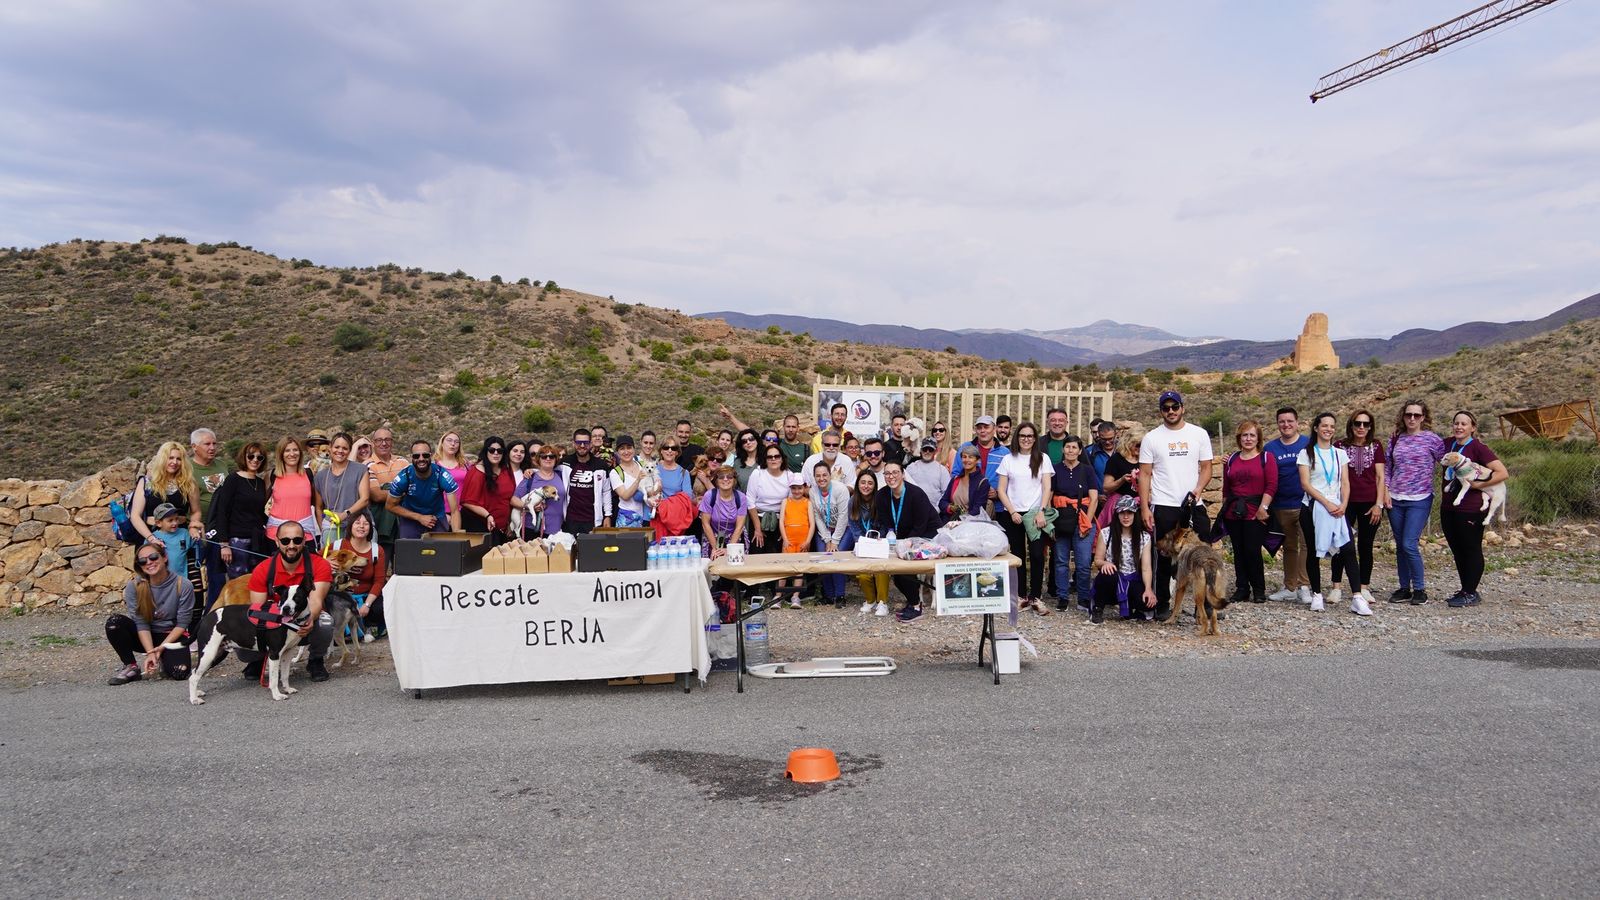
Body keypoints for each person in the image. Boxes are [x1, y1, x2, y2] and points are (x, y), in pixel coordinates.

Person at [1138, 390, 1214, 620]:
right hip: (1164, 503)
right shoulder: (1152, 438)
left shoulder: (1198, 434)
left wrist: (1198, 488)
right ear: (1161, 411)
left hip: (1193, 503)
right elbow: (1145, 474)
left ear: (1182, 408)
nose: (1171, 411)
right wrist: (1145, 508)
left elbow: (1207, 467)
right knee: (1163, 555)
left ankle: (1206, 604)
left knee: (1203, 555)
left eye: (1175, 407)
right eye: (1166, 408)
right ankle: (1162, 603)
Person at [246, 521, 334, 684]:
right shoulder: (262, 569)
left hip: (304, 618)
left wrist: (310, 619)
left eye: (297, 540)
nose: (291, 545)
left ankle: (316, 660)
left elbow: (316, 600)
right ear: (277, 541)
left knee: (325, 623)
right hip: (276, 621)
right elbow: (258, 610)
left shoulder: (319, 564)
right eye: (285, 541)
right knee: (247, 638)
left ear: (305, 540)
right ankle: (259, 658)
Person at [1298, 412, 1367, 615]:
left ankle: (1357, 597)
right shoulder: (1306, 453)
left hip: (1337, 507)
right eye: (1324, 425)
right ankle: (1317, 594)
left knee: (1348, 549)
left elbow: (1345, 482)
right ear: (1316, 428)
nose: (1328, 429)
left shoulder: (1340, 453)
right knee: (1313, 551)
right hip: (1313, 507)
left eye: (1332, 426)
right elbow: (1305, 483)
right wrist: (1326, 503)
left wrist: (1344, 504)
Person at [1439, 410, 1508, 608]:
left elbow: (1502, 472)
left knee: (1471, 548)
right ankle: (1465, 589)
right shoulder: (1448, 444)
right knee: (1457, 549)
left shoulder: (1478, 448)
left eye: (1464, 424)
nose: (1459, 427)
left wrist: (1479, 485)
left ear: (1473, 428)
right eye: (1456, 423)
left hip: (1471, 507)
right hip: (1449, 505)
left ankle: (1470, 592)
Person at [1385, 400, 1447, 605]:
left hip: (1419, 498)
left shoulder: (1432, 440)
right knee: (1400, 546)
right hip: (1395, 498)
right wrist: (1385, 491)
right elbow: (1387, 467)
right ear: (1403, 416)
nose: (1412, 418)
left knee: (1409, 543)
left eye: (1416, 415)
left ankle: (1420, 589)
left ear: (1423, 417)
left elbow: (1446, 462)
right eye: (1408, 414)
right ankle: (1404, 588)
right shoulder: (1396, 438)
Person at [105, 541, 194, 685]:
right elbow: (141, 623)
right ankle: (131, 666)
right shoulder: (134, 586)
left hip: (170, 634)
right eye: (142, 561)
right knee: (114, 623)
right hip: (145, 635)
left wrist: (161, 649)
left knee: (180, 672)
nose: (149, 562)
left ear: (164, 557)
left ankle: (165, 658)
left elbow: (182, 623)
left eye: (153, 557)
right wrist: (151, 652)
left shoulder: (183, 585)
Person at [997, 422, 1054, 615]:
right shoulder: (1008, 459)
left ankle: (1036, 596)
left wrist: (1041, 510)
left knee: (1037, 554)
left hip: (1035, 513)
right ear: (1017, 437)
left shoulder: (1043, 458)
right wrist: (1012, 511)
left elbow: (1047, 487)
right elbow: (1001, 489)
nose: (1026, 439)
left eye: (1030, 436)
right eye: (1022, 435)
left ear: (1035, 438)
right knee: (1018, 555)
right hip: (1014, 513)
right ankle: (1021, 595)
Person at [874, 462, 941, 622]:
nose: (891, 477)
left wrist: (906, 544)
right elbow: (886, 522)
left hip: (927, 536)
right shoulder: (882, 495)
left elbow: (921, 524)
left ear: (903, 474)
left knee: (904, 571)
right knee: (896, 573)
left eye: (895, 472)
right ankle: (913, 602)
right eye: (887, 473)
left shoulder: (916, 494)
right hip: (902, 538)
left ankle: (916, 607)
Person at [1333, 410, 1387, 608]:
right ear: (1351, 425)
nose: (1361, 427)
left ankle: (1364, 586)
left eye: (1365, 424)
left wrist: (1378, 504)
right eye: (1357, 423)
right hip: (1345, 502)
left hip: (1369, 502)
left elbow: (1380, 477)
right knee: (1341, 544)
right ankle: (1336, 587)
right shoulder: (1339, 446)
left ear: (1370, 426)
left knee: (1366, 545)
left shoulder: (1376, 446)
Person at [1219, 420, 1276, 604]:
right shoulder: (1231, 460)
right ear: (1239, 438)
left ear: (1258, 438)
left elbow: (1271, 485)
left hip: (1255, 510)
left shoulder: (1266, 458)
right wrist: (1225, 508)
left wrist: (1263, 508)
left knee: (1252, 550)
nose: (1248, 439)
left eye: (1252, 435)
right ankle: (1242, 588)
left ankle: (1258, 589)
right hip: (1234, 511)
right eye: (1245, 435)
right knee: (1238, 551)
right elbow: (1226, 488)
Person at [1264, 408, 1312, 602]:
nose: (1286, 425)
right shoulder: (1270, 448)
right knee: (1289, 546)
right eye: (1282, 421)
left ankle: (1304, 586)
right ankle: (1290, 587)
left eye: (1290, 421)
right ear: (1277, 424)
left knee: (1306, 545)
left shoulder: (1308, 443)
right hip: (1281, 505)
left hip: (1304, 503)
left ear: (1297, 422)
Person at [208, 441, 271, 580]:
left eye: (259, 457)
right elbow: (222, 511)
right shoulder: (233, 479)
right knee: (238, 583)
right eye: (251, 456)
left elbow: (260, 513)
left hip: (257, 541)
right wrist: (224, 544)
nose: (255, 460)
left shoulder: (260, 483)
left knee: (257, 581)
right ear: (244, 457)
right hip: (237, 541)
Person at [1050, 434, 1099, 613]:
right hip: (1061, 519)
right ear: (1063, 449)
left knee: (1084, 563)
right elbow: (1049, 496)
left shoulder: (1087, 470)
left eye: (1074, 447)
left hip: (1083, 519)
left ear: (1080, 451)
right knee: (1061, 561)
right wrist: (1049, 522)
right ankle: (1062, 597)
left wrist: (1087, 522)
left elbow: (1094, 498)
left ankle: (1083, 597)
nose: (1070, 450)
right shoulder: (1055, 470)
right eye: (1067, 447)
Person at [1090, 496, 1157, 624]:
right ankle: (1098, 607)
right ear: (1117, 514)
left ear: (1135, 514)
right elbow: (1097, 560)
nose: (1126, 517)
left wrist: (1148, 589)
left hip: (1132, 577)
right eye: (1122, 513)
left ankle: (1132, 607)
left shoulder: (1144, 537)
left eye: (1129, 513)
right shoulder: (1106, 533)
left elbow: (1146, 568)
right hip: (1113, 577)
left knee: (1148, 603)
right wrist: (1105, 563)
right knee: (1107, 575)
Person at [327, 510, 388, 640]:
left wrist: (367, 605)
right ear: (350, 526)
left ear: (370, 528)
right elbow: (315, 559)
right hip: (342, 596)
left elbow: (379, 581)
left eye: (366, 523)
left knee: (380, 607)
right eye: (357, 523)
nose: (361, 526)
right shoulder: (338, 545)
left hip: (366, 596)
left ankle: (369, 624)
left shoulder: (377, 550)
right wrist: (325, 562)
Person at [189, 427, 232, 607]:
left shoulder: (221, 465)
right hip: (199, 529)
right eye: (207, 444)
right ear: (194, 447)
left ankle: (214, 614)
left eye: (214, 443)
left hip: (221, 529)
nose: (212, 447)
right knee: (197, 579)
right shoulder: (188, 468)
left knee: (218, 577)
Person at [129, 441, 202, 544]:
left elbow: (196, 511)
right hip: (151, 537)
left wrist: (193, 527)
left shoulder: (189, 483)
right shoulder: (147, 482)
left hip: (180, 537)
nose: (174, 462)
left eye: (179, 459)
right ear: (162, 459)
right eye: (170, 458)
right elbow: (135, 515)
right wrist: (151, 539)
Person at [386, 440, 461, 539]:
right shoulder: (403, 477)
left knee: (441, 548)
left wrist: (457, 538)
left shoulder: (442, 475)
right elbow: (390, 506)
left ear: (431, 456)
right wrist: (419, 517)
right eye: (416, 456)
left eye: (425, 455)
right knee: (407, 548)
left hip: (436, 518)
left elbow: (455, 511)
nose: (421, 459)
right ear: (411, 457)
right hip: (411, 519)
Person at [312, 432, 370, 547]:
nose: (340, 451)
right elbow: (318, 507)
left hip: (359, 525)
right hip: (332, 526)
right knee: (332, 558)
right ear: (330, 448)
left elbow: (365, 499)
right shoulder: (320, 476)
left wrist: (345, 514)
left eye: (345, 448)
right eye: (337, 447)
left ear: (350, 450)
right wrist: (323, 528)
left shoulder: (361, 470)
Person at [847, 471, 892, 616]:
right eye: (863, 482)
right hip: (862, 542)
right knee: (863, 574)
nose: (866, 486)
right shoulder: (852, 501)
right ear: (858, 484)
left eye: (870, 483)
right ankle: (870, 600)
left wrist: (879, 539)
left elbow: (885, 524)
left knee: (881, 571)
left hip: (878, 541)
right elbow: (853, 525)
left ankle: (882, 602)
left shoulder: (880, 500)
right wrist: (862, 542)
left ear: (874, 486)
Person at [811, 460, 851, 607]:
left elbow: (843, 516)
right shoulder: (813, 491)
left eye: (824, 475)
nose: (821, 478)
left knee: (836, 556)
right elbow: (817, 516)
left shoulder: (840, 489)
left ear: (830, 475)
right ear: (814, 477)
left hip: (844, 528)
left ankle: (840, 595)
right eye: (818, 476)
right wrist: (827, 538)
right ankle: (828, 595)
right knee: (823, 557)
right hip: (825, 529)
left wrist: (834, 541)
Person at [265, 437, 321, 543]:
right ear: (281, 454)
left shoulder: (309, 474)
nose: (292, 454)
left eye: (295, 450)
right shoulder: (272, 475)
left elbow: (318, 505)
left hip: (305, 535)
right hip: (276, 536)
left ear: (300, 452)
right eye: (287, 450)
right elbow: (259, 504)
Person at [365, 426, 407, 565]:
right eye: (379, 440)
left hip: (403, 520)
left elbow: (413, 488)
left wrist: (388, 491)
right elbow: (376, 495)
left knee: (404, 563)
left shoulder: (403, 462)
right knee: (381, 564)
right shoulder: (368, 465)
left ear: (392, 442)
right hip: (381, 522)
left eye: (387, 439)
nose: (384, 443)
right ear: (373, 443)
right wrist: (401, 492)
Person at [461, 436, 516, 542]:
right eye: (492, 450)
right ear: (486, 451)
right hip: (481, 526)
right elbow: (468, 501)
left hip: (502, 528)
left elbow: (509, 499)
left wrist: (509, 522)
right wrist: (487, 515)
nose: (496, 453)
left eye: (499, 451)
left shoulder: (507, 471)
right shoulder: (477, 472)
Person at [561, 428, 612, 535]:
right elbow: (547, 471)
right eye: (579, 442)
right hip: (570, 520)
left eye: (586, 442)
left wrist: (608, 515)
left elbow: (606, 491)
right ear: (573, 444)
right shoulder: (564, 463)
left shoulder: (601, 465)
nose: (582, 445)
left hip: (592, 520)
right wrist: (531, 471)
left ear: (591, 444)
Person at [744, 443, 792, 554]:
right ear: (765, 460)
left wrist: (785, 528)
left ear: (782, 459)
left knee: (778, 557)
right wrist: (757, 528)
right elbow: (750, 500)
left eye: (777, 456)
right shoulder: (757, 473)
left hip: (781, 520)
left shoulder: (789, 475)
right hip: (758, 518)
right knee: (757, 555)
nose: (773, 459)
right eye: (769, 457)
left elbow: (790, 502)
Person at [512, 444, 568, 537]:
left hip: (557, 530)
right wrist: (528, 506)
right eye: (544, 456)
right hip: (532, 528)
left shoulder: (562, 475)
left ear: (556, 459)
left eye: (551, 456)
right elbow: (514, 499)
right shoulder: (530, 477)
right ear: (538, 459)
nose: (548, 459)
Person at [951, 415, 1009, 503]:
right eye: (979, 428)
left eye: (986, 427)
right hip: (968, 501)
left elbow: (1010, 479)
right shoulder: (965, 448)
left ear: (994, 429)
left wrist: (997, 493)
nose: (982, 430)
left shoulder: (1005, 453)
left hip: (996, 504)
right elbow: (956, 473)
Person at [776, 475, 814, 607]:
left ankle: (795, 596)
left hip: (803, 539)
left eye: (799, 488)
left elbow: (812, 524)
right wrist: (785, 539)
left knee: (799, 569)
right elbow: (781, 522)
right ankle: (778, 596)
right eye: (794, 488)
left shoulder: (808, 502)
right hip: (789, 539)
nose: (797, 491)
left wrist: (808, 540)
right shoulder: (785, 501)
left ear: (804, 488)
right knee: (784, 568)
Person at [699, 466, 752, 558]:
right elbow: (705, 524)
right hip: (712, 536)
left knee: (734, 562)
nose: (725, 479)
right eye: (721, 477)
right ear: (716, 480)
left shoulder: (741, 497)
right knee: (713, 562)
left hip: (735, 537)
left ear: (734, 480)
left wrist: (729, 549)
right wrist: (716, 549)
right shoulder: (709, 495)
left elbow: (739, 527)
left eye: (729, 476)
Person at [1098, 430, 1141, 529]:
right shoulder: (1116, 459)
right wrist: (1121, 480)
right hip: (1119, 505)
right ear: (1129, 443)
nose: (1140, 448)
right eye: (1138, 445)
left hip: (1139, 505)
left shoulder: (1145, 459)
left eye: (1143, 445)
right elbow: (1106, 488)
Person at [940, 443, 992, 522]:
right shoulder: (955, 479)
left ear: (977, 460)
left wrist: (961, 519)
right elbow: (942, 502)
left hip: (970, 525)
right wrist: (951, 508)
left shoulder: (983, 482)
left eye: (970, 457)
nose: (966, 460)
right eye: (964, 457)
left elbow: (977, 510)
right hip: (950, 522)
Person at [148, 503, 196, 589]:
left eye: (176, 519)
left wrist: (199, 530)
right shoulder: (153, 538)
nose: (175, 523)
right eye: (170, 520)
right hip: (160, 583)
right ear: (158, 523)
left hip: (181, 582)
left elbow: (198, 545)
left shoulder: (184, 533)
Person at [905, 438, 952, 506]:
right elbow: (904, 488)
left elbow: (946, 493)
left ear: (935, 451)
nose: (927, 452)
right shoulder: (911, 467)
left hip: (935, 509)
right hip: (913, 508)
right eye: (925, 449)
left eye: (930, 449)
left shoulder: (942, 470)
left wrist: (937, 508)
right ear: (921, 450)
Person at [1086, 420, 1119, 485]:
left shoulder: (1123, 450)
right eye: (1104, 439)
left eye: (1110, 438)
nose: (1107, 442)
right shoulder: (1090, 452)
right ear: (1099, 435)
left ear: (1116, 434)